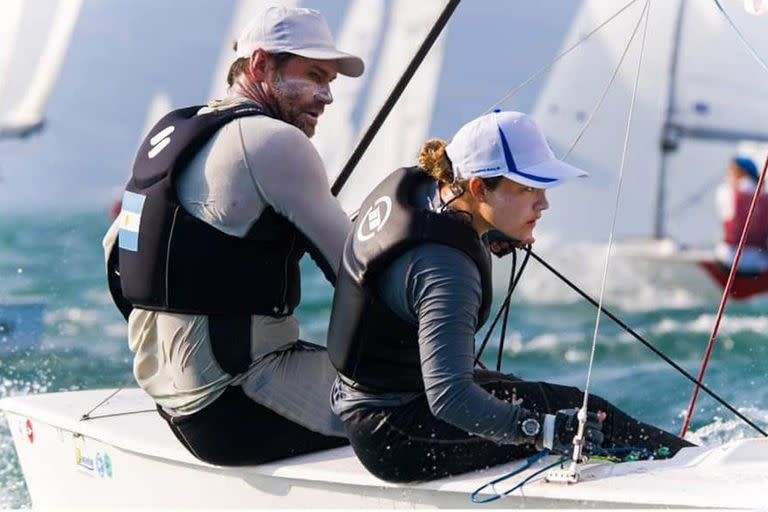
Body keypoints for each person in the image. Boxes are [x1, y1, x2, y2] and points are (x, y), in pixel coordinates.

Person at [326, 111, 694, 483]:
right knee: (594, 423)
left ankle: (691, 462)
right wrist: (544, 432)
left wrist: (484, 231)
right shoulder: (445, 270)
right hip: (399, 435)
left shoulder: (421, 186)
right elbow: (449, 398)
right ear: (478, 189)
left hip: (377, 401)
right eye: (528, 189)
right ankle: (695, 477)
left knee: (571, 406)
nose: (544, 203)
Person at [102, 6, 364, 465]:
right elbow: (363, 275)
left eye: (330, 83)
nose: (326, 96)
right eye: (314, 75)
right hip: (239, 405)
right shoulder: (274, 141)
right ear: (261, 65)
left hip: (175, 403)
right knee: (465, 396)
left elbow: (119, 258)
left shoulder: (173, 134)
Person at [715, 156, 768, 273]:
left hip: (730, 259)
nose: (728, 177)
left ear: (739, 173)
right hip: (761, 261)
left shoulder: (726, 192)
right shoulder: (765, 195)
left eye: (730, 173)